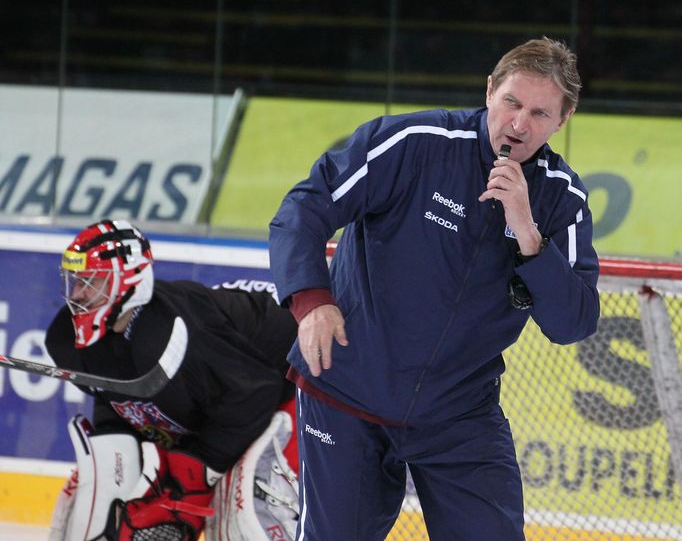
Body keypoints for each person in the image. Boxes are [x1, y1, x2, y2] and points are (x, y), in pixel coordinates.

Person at [268, 37, 600, 540]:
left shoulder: (563, 199)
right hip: (348, 388)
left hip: (459, 414)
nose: (519, 124)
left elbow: (574, 323)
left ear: (563, 120)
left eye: (539, 113)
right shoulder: (416, 141)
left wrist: (530, 237)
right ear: (489, 91)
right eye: (512, 102)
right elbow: (305, 207)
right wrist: (312, 301)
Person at [45, 219, 300, 541]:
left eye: (93, 282)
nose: (79, 294)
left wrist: (195, 469)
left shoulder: (176, 335)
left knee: (248, 516)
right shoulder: (66, 339)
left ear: (130, 281)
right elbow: (112, 392)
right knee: (105, 480)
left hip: (295, 378)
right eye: (76, 281)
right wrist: (115, 440)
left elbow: (255, 392)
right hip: (233, 401)